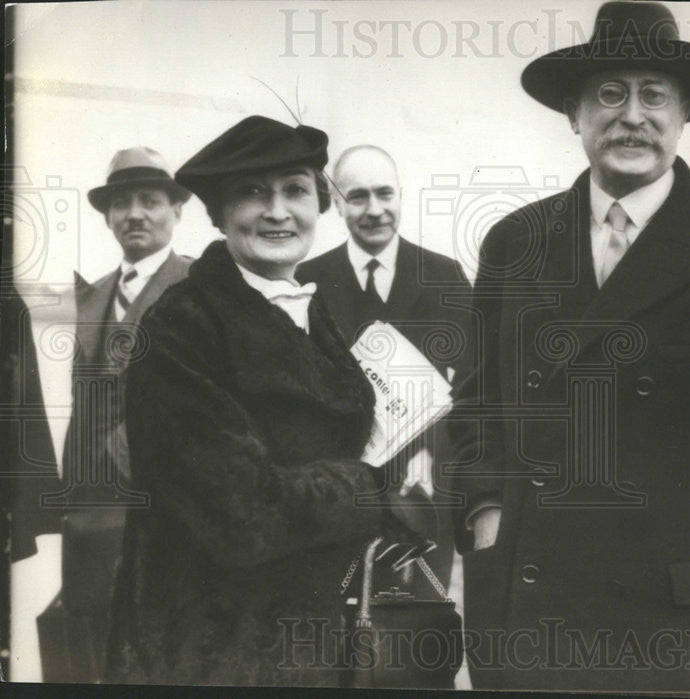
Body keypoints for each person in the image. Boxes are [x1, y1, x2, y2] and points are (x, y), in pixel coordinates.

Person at [451, 2, 690, 694]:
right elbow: (478, 401)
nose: (632, 114)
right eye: (609, 93)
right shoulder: (515, 243)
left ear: (684, 113)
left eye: (654, 94)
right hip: (528, 616)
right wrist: (486, 517)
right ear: (573, 113)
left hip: (685, 633)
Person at [104, 116, 422, 686]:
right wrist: (372, 491)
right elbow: (241, 515)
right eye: (252, 192)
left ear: (319, 205)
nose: (278, 211)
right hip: (211, 647)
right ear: (219, 213)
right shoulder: (183, 323)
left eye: (295, 190)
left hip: (309, 636)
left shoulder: (304, 310)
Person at [34, 147, 192, 683]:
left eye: (151, 200)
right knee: (87, 659)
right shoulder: (90, 296)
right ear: (107, 217)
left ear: (177, 210)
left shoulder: (201, 289)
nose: (136, 214)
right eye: (122, 203)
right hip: (90, 521)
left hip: (168, 518)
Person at [297, 145, 476, 598]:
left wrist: (433, 453)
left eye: (385, 194)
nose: (375, 210)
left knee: (418, 631)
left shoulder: (443, 274)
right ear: (336, 202)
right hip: (334, 491)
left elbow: (475, 385)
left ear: (401, 195)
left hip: (423, 492)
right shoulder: (306, 281)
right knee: (334, 625)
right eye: (358, 197)